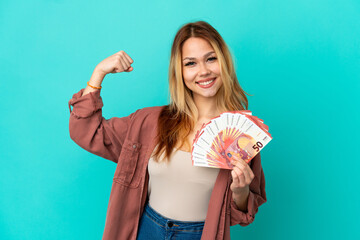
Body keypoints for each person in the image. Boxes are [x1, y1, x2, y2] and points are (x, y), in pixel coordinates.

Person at [68, 21, 267, 240]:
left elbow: (242, 216)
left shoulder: (242, 136)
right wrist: (98, 74)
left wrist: (241, 191)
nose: (203, 71)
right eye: (190, 63)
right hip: (145, 229)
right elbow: (87, 132)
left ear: (224, 61)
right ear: (179, 71)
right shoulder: (149, 121)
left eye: (211, 59)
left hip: (199, 234)